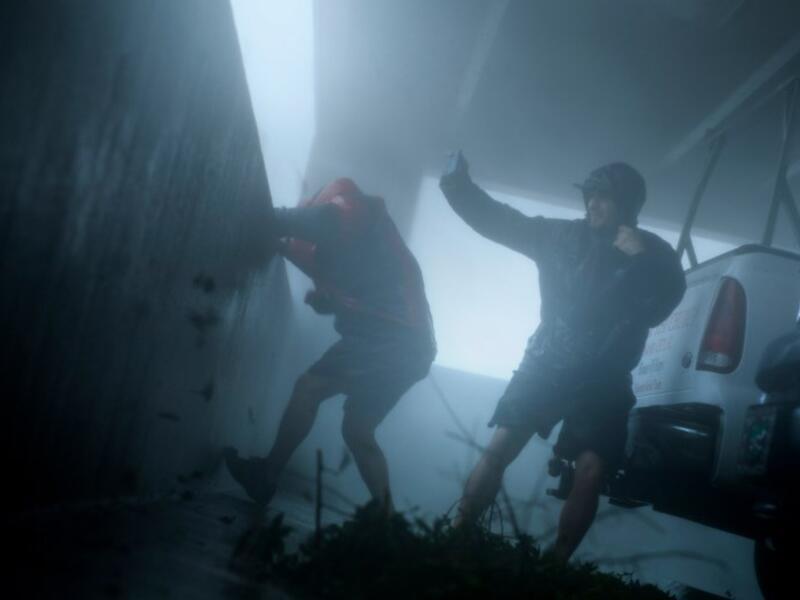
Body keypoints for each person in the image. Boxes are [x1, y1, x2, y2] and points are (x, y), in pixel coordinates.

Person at [439, 152, 685, 560]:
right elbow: (500, 221)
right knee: (499, 449)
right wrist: (457, 186)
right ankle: (456, 533)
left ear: (627, 204)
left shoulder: (655, 255)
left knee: (592, 469)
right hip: (547, 361)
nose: (592, 203)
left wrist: (638, 260)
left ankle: (555, 566)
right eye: (590, 195)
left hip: (605, 377)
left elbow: (658, 309)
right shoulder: (560, 236)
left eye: (603, 197)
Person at [225, 178, 436, 510]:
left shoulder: (348, 212)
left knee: (309, 389)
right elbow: (357, 290)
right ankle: (386, 525)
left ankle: (267, 474)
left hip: (391, 337)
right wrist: (326, 302)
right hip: (412, 348)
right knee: (358, 430)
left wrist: (267, 216)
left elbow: (315, 222)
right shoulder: (349, 245)